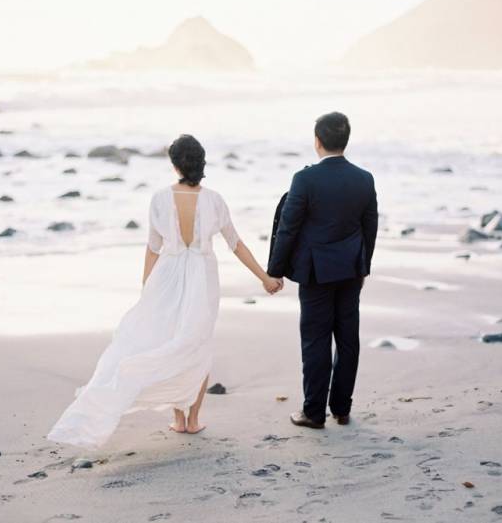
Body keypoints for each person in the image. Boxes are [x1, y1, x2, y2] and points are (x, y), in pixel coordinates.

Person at [48, 134, 281, 448]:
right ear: (201, 164)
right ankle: (193, 420)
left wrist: (147, 289)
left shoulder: (159, 198)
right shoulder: (214, 199)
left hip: (166, 276)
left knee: (172, 340)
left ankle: (177, 418)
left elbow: (152, 248)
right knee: (195, 343)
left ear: (175, 166)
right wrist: (264, 278)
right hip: (202, 276)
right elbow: (236, 244)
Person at [267, 112, 378, 429]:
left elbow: (289, 228)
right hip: (351, 269)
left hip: (316, 272)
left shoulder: (305, 179)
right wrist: (364, 265)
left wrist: (274, 271)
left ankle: (313, 412)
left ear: (317, 141)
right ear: (346, 140)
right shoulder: (364, 178)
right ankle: (342, 409)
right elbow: (370, 226)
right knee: (347, 340)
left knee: (315, 341)